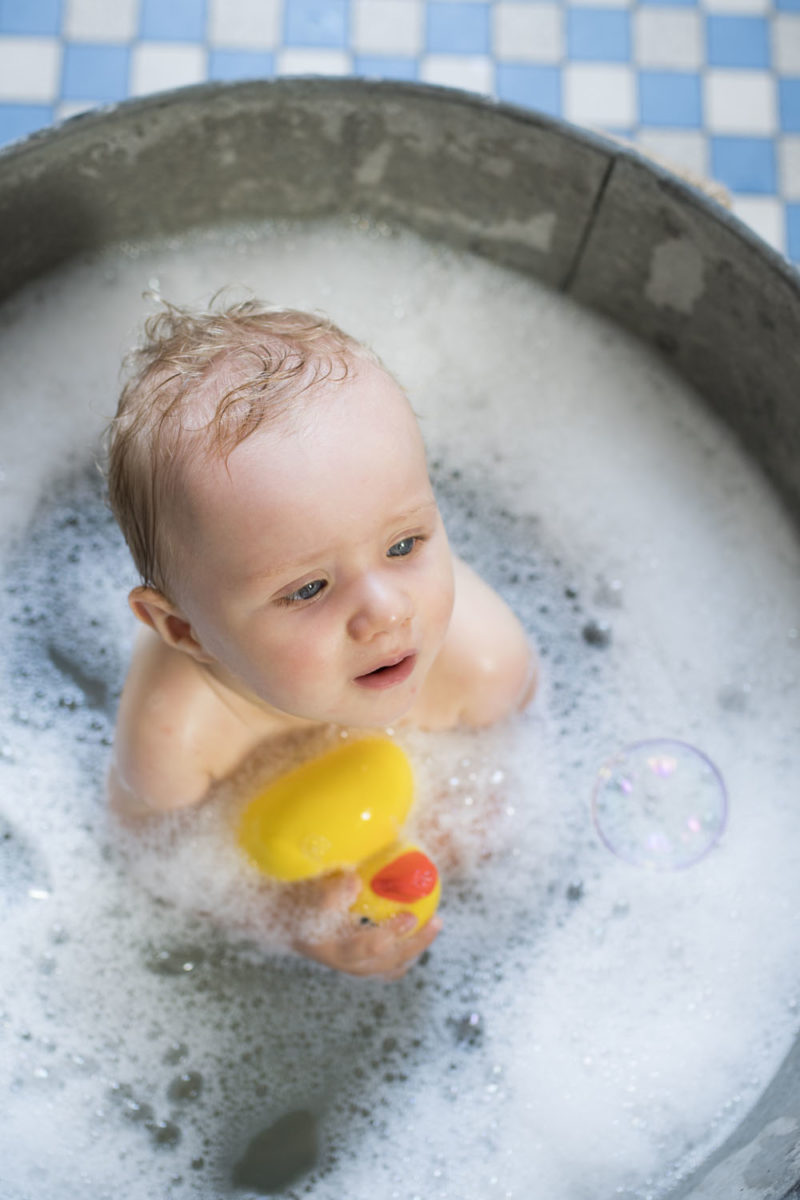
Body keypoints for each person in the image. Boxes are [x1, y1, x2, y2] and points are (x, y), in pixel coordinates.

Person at [106, 298, 536, 980]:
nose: (388, 613)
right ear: (185, 630)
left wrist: (473, 816)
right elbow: (147, 852)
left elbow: (516, 745)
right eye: (308, 589)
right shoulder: (175, 733)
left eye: (405, 543)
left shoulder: (479, 664)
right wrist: (292, 921)